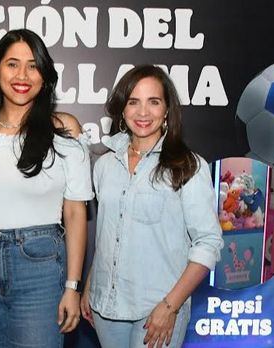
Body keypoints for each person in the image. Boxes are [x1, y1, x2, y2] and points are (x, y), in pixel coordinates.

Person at [0, 29, 93, 347]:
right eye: (13, 64)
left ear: (44, 75)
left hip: (41, 267)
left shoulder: (65, 128)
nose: (22, 75)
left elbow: (75, 212)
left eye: (33, 65)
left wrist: (72, 284)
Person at [80, 65, 224, 348]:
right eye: (133, 102)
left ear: (167, 109)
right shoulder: (105, 165)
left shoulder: (188, 166)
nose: (143, 112)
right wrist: (89, 286)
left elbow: (208, 243)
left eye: (153, 102)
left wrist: (170, 307)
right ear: (122, 110)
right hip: (106, 307)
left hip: (158, 307)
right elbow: (111, 232)